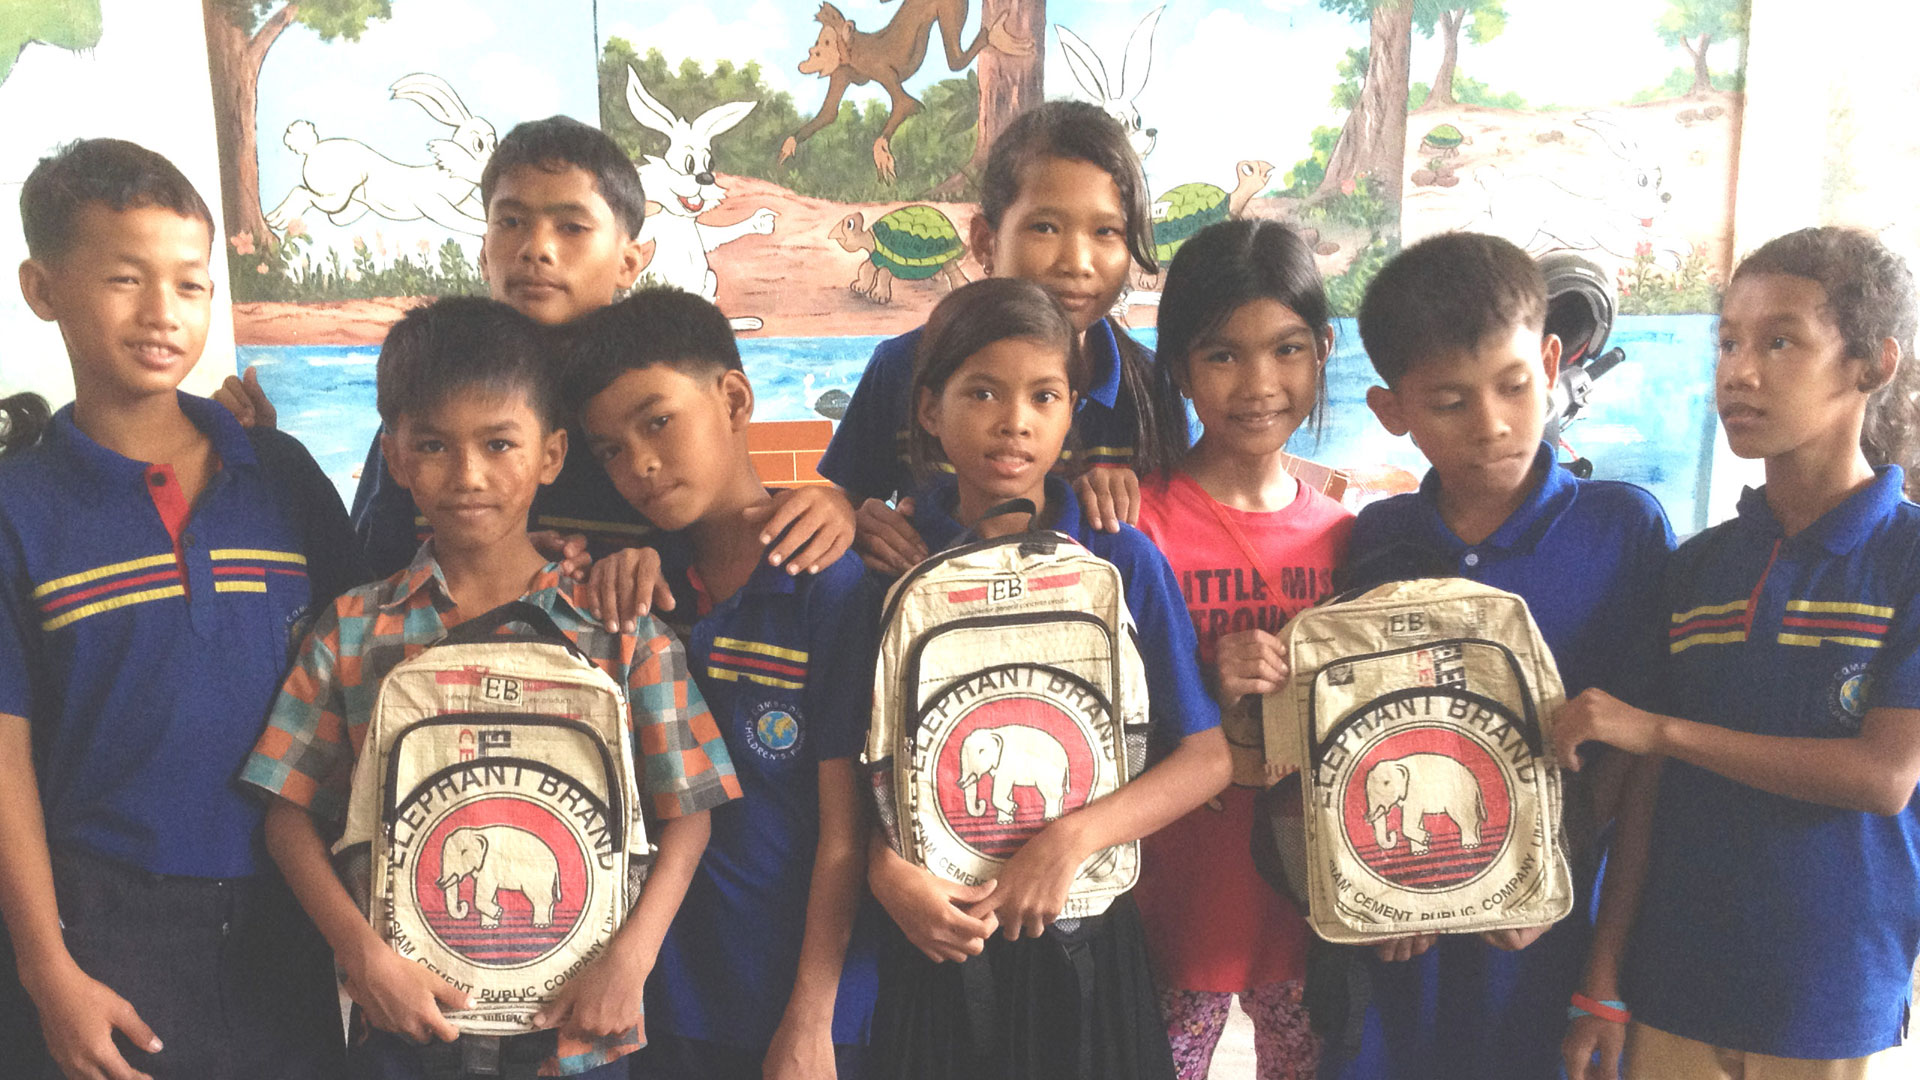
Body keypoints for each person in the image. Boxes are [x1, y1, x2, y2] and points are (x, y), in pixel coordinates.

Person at [239, 296, 741, 1079]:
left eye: (499, 443)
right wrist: (363, 958)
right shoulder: (351, 631)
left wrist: (632, 961)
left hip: (577, 1030)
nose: (468, 475)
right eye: (433, 445)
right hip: (405, 1025)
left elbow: (691, 814)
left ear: (551, 455)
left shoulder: (620, 631)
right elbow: (287, 815)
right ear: (396, 458)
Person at [0, 138, 359, 1080]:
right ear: (43, 288)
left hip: (294, 912)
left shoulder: (277, 477)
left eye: (192, 285)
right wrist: (45, 969)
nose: (164, 313)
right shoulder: (16, 511)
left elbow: (381, 642)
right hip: (103, 927)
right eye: (126, 279)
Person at [1555, 226, 1920, 1080]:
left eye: (1780, 341)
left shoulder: (1906, 560)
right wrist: (1603, 975)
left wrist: (1664, 732)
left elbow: (1884, 776)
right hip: (1671, 982)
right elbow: (1647, 792)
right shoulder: (1697, 569)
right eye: (1729, 341)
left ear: (1872, 364)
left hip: (1827, 995)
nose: (1739, 371)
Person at [1325, 232, 1675, 1080]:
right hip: (1401, 963)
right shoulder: (1375, 543)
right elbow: (1355, 745)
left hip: (1554, 948)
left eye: (1514, 386)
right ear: (1390, 410)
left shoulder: (1624, 530)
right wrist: (1383, 885)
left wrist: (1567, 914)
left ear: (1552, 362)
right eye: (1449, 402)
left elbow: (1639, 761)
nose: (1492, 425)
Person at [865, 277, 1230, 1080]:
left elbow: (1207, 756)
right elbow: (860, 763)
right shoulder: (891, 561)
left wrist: (1071, 839)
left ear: (1070, 413)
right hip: (937, 936)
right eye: (983, 392)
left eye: (1044, 395)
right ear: (931, 409)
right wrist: (881, 868)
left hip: (1087, 932)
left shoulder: (1119, 557)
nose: (1014, 421)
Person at [305, 115, 852, 591]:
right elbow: (373, 576)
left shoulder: (639, 402)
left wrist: (836, 508)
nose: (536, 248)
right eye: (511, 222)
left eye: (571, 227)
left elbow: (728, 510)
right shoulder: (430, 402)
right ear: (482, 253)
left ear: (629, 262)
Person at [567, 288, 881, 1079]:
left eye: (657, 421)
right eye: (608, 449)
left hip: (804, 1000)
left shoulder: (828, 583)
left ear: (734, 398)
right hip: (659, 994)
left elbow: (847, 832)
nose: (637, 463)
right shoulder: (636, 588)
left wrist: (813, 1017)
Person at [1129, 219, 1352, 1080]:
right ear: (1180, 365)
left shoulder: (1349, 535)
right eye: (1223, 355)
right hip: (1171, 908)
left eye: (1287, 349)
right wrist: (1198, 683)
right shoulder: (1136, 526)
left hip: (1314, 908)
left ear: (1324, 350)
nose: (1259, 384)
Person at [819, 100, 1187, 576]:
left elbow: (1182, 533)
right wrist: (853, 525)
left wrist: (1136, 498)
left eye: (1106, 231)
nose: (1077, 262)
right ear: (985, 242)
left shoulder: (1149, 386)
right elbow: (843, 507)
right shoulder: (904, 366)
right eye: (1045, 227)